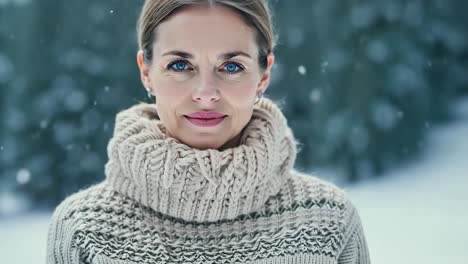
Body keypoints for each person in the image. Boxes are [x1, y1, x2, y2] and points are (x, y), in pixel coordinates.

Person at [46, 0, 370, 263]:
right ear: (146, 72)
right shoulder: (84, 228)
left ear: (263, 75)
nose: (205, 92)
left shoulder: (328, 221)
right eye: (179, 65)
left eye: (231, 67)